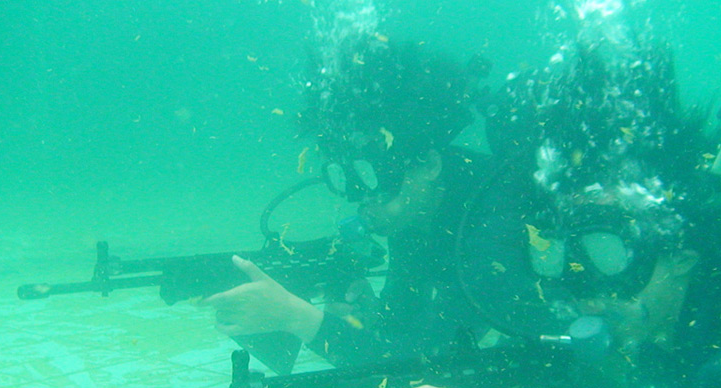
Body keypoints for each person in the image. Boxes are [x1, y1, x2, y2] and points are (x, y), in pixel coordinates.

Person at [383, 5, 721, 388]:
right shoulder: (667, 324)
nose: (587, 300)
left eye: (610, 256)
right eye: (564, 261)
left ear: (681, 253)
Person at [201, 36, 498, 367]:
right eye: (353, 183)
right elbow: (401, 332)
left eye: (380, 182)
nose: (366, 204)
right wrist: (372, 318)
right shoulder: (416, 214)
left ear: (430, 165)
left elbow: (424, 362)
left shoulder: (495, 218)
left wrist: (296, 317)